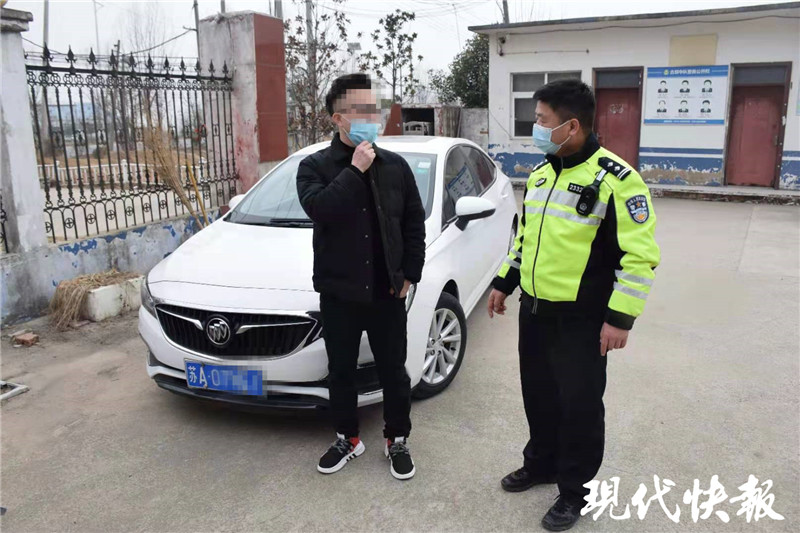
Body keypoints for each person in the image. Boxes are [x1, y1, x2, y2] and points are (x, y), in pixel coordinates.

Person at [488, 79, 660, 531]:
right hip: (535, 312)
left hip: (582, 321)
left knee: (579, 406)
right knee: (538, 395)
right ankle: (541, 463)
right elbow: (524, 239)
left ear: (572, 126)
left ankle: (575, 491)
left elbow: (639, 258)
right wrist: (504, 282)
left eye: (541, 120)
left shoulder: (618, 181)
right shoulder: (542, 175)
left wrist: (619, 319)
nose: (535, 128)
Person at [296, 73, 426, 480]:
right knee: (342, 372)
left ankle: (397, 438)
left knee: (394, 371)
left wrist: (410, 275)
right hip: (340, 293)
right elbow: (320, 210)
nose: (374, 116)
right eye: (362, 110)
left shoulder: (396, 167)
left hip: (388, 292)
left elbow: (413, 223)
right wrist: (354, 171)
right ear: (338, 118)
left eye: (375, 108)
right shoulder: (314, 167)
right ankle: (348, 438)